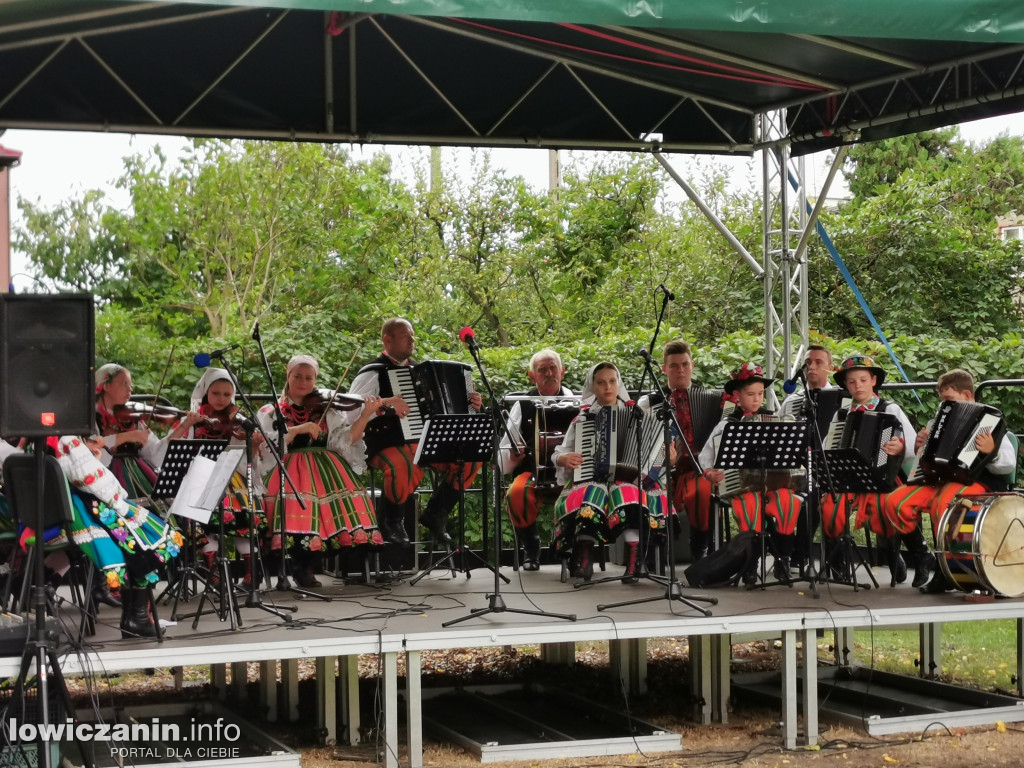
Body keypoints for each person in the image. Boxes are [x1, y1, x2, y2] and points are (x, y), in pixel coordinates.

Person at [348, 318, 483, 546]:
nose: (412, 340)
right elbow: (352, 411)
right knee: (404, 463)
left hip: (423, 442)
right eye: (405, 335)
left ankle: (436, 513)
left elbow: (447, 409)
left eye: (412, 335)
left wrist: (471, 404)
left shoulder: (422, 371)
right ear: (387, 339)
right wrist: (386, 405)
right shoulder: (372, 372)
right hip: (383, 441)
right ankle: (392, 520)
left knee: (470, 457)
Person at [881, 369, 1016, 592]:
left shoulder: (989, 419)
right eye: (942, 400)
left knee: (942, 505)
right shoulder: (939, 421)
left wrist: (993, 452)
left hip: (980, 482)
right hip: (942, 480)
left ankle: (947, 570)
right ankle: (924, 556)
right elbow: (924, 459)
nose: (944, 406)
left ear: (967, 395)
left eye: (949, 400)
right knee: (895, 502)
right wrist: (921, 446)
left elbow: (1008, 464)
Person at [258, 354, 384, 588]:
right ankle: (294, 568)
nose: (303, 382)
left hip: (326, 469)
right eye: (297, 376)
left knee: (331, 516)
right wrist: (298, 429)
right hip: (288, 468)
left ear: (315, 379)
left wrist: (366, 414)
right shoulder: (271, 410)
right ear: (288, 376)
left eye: (309, 377)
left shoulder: (328, 409)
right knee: (295, 512)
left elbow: (345, 441)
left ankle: (311, 567)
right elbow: (266, 444)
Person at [54, 435, 184, 638]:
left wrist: (92, 459)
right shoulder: (68, 438)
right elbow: (90, 478)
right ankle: (137, 618)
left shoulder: (31, 440)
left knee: (138, 540)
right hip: (84, 511)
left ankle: (134, 616)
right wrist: (120, 503)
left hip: (58, 514)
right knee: (156, 538)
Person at [552, 362, 662, 586]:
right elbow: (561, 452)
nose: (607, 387)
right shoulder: (583, 419)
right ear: (592, 386)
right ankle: (584, 554)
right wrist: (564, 458)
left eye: (612, 381)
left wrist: (664, 452)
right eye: (601, 382)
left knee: (632, 494)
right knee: (590, 494)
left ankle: (635, 559)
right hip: (592, 476)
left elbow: (654, 451)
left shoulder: (636, 415)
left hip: (627, 478)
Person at [698, 363, 804, 584]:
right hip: (739, 485)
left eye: (760, 394)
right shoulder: (727, 424)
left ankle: (783, 560)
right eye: (750, 394)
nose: (756, 399)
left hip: (771, 485)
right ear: (737, 395)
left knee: (788, 501)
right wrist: (709, 473)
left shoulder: (772, 419)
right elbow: (705, 456)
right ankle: (750, 564)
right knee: (750, 504)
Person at [820, 356, 916, 582]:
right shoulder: (841, 414)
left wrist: (898, 447)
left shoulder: (890, 409)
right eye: (851, 382)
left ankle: (893, 557)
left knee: (886, 504)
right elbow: (828, 448)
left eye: (863, 380)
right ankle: (838, 561)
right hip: (849, 480)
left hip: (883, 478)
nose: (857, 386)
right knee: (829, 505)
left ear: (873, 381)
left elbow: (912, 447)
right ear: (846, 385)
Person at [638, 341, 717, 562]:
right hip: (660, 471)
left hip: (696, 470)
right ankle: (649, 554)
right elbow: (638, 438)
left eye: (684, 364)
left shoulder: (713, 399)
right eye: (674, 366)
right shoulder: (649, 402)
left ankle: (699, 550)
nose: (680, 370)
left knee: (702, 489)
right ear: (664, 369)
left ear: (692, 365)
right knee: (644, 488)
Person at [498, 349, 575, 571]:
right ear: (532, 376)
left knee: (586, 492)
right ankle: (530, 546)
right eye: (542, 370)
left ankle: (573, 547)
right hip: (533, 473)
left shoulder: (579, 403)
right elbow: (504, 455)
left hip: (572, 476)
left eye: (553, 368)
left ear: (562, 371)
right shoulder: (522, 404)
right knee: (516, 492)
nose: (549, 373)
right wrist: (513, 455)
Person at [188, 368, 266, 586]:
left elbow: (245, 457)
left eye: (227, 394)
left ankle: (252, 574)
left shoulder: (238, 419)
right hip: (202, 476)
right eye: (216, 393)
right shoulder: (195, 418)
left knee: (242, 525)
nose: (221, 399)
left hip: (232, 476)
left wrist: (255, 444)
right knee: (206, 526)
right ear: (205, 393)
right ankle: (215, 572)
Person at [93, 363, 200, 507]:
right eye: (124, 384)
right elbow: (90, 449)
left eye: (131, 385)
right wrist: (129, 436)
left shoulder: (132, 418)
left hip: (139, 476)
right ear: (105, 385)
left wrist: (184, 426)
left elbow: (155, 454)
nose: (130, 389)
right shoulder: (91, 418)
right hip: (106, 478)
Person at [777, 344, 838, 571]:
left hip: (829, 469)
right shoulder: (791, 402)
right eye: (808, 363)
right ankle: (786, 552)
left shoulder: (840, 399)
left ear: (830, 368)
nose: (811, 367)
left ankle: (801, 555)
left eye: (818, 362)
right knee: (785, 494)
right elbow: (777, 434)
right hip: (796, 468)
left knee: (816, 491)